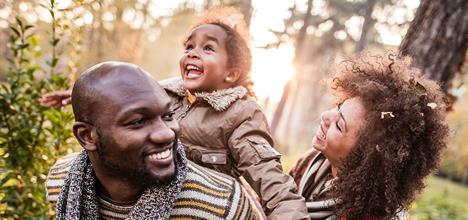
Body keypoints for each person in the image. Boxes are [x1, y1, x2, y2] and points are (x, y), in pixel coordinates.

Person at [43, 7, 308, 219]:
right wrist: (75, 96)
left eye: (208, 48)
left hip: (203, 202)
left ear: (231, 73)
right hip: (149, 190)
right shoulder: (168, 93)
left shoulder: (240, 115)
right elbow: (117, 99)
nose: (193, 53)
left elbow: (271, 181)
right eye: (189, 47)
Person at [45, 61, 262, 219]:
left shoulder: (222, 205)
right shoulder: (60, 181)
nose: (167, 134)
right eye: (138, 121)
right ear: (87, 136)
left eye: (168, 116)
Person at [289, 54, 449, 220]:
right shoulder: (311, 162)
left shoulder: (370, 214)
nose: (326, 116)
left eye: (339, 125)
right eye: (339, 107)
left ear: (364, 155)